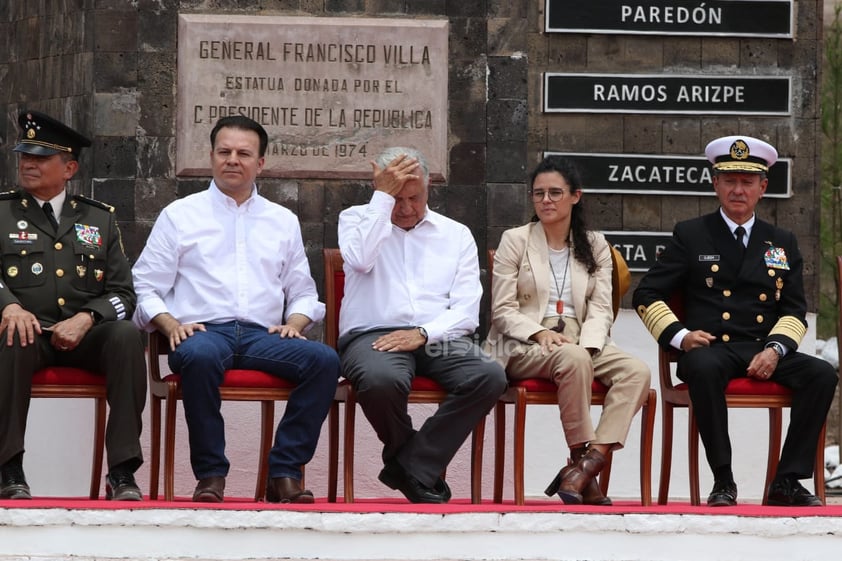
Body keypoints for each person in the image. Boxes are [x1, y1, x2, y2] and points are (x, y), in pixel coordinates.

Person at [132, 115, 340, 503]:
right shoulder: (180, 215)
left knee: (324, 360)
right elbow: (145, 285)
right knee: (197, 356)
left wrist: (295, 322)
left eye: (243, 153)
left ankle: (284, 473)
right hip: (203, 333)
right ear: (211, 157)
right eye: (224, 151)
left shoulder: (282, 220)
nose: (232, 160)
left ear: (260, 163)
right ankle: (211, 475)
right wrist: (169, 323)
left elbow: (303, 292)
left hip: (265, 336)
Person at [633, 135, 838, 507]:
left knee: (822, 374)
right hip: (713, 347)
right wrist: (680, 337)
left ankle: (787, 480)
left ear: (763, 187)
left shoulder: (781, 242)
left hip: (763, 348)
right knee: (703, 367)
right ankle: (723, 480)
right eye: (729, 180)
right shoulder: (691, 235)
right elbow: (646, 294)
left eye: (747, 182)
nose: (738, 190)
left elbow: (794, 310)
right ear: (715, 184)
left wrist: (775, 351)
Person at [337, 147, 507, 504]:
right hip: (373, 334)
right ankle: (410, 458)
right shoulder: (356, 219)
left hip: (438, 334)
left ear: (429, 186)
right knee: (382, 380)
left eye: (414, 197)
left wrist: (424, 333)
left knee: (489, 375)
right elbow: (360, 260)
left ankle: (409, 465)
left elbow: (466, 309)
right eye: (396, 197)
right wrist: (380, 200)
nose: (405, 208)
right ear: (380, 188)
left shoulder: (455, 234)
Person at [483, 155, 651, 505]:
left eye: (555, 193)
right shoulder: (515, 240)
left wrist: (588, 347)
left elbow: (603, 308)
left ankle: (586, 467)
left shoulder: (596, 245)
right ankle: (580, 462)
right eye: (539, 193)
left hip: (582, 337)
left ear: (575, 196)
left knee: (636, 371)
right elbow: (502, 311)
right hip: (522, 342)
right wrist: (538, 333)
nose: (546, 200)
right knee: (572, 358)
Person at [0, 110, 146, 501]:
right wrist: (9, 306)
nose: (28, 164)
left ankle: (122, 471)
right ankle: (8, 467)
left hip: (84, 336)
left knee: (127, 336)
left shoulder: (99, 219)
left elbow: (124, 294)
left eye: (40, 158)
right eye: (24, 156)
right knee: (13, 334)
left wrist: (87, 317)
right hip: (29, 334)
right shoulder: (3, 212)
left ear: (69, 168)